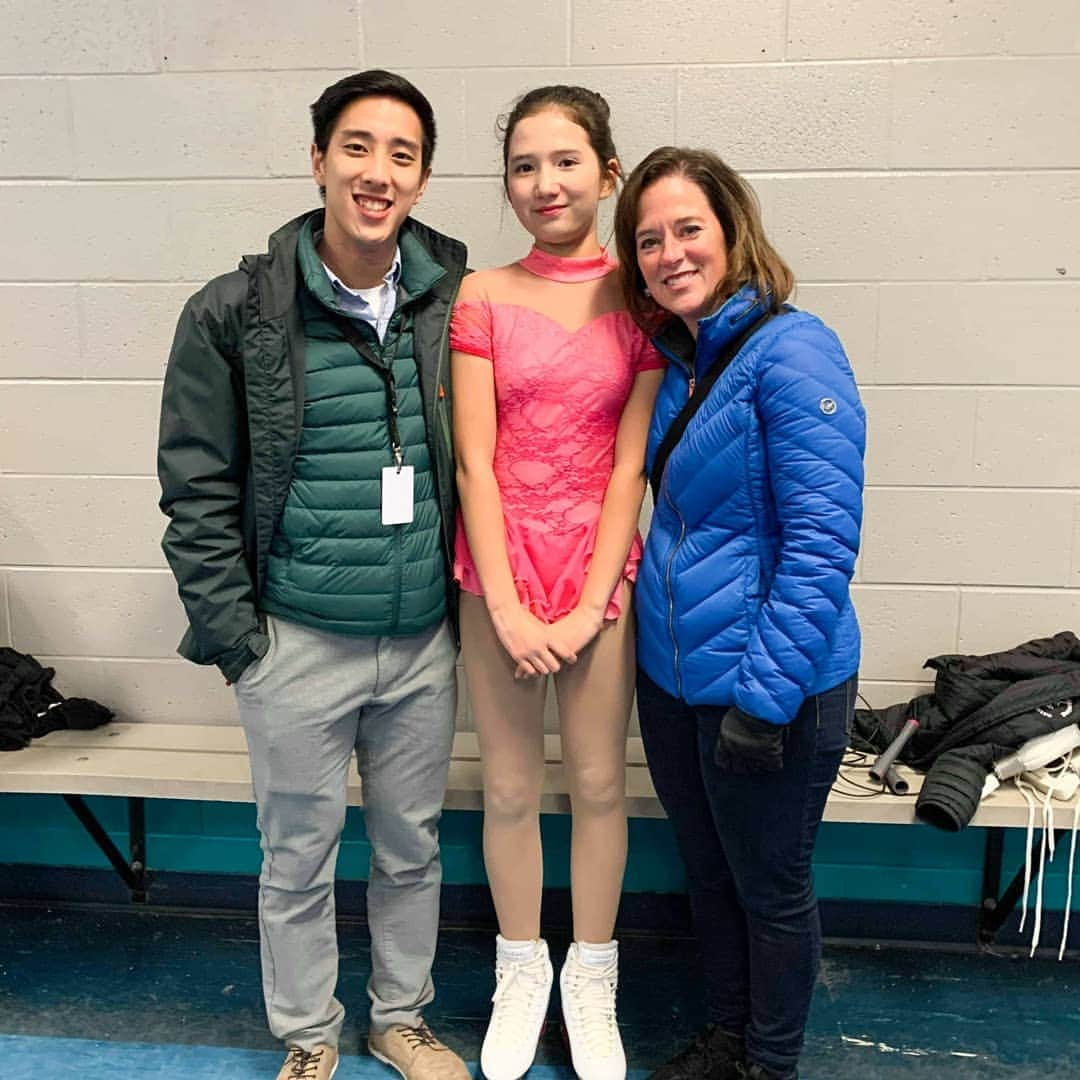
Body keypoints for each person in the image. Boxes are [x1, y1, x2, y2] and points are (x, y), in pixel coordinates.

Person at [157, 71, 470, 1080]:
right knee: (295, 859)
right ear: (319, 159)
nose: (377, 172)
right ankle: (307, 1034)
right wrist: (242, 641)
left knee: (410, 850)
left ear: (421, 179)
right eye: (357, 147)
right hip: (295, 642)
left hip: (422, 640)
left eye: (402, 155)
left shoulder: (453, 297)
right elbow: (195, 487)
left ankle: (401, 1017)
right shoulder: (234, 311)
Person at [613, 147, 866, 1080]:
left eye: (689, 230)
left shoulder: (795, 351)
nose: (671, 253)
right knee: (710, 877)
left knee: (771, 888)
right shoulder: (675, 362)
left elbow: (821, 545)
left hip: (773, 690)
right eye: (649, 240)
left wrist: (764, 699)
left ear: (732, 232)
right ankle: (728, 1038)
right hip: (676, 682)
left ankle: (770, 1064)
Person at [450, 87, 665, 1080]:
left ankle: (593, 976)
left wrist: (585, 607)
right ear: (508, 183)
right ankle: (519, 968)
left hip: (600, 576)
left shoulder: (643, 297)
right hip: (496, 570)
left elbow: (631, 466)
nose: (546, 182)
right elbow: (473, 465)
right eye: (526, 165)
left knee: (593, 785)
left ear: (607, 174)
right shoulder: (482, 295)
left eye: (567, 161)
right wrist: (502, 601)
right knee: (504, 786)